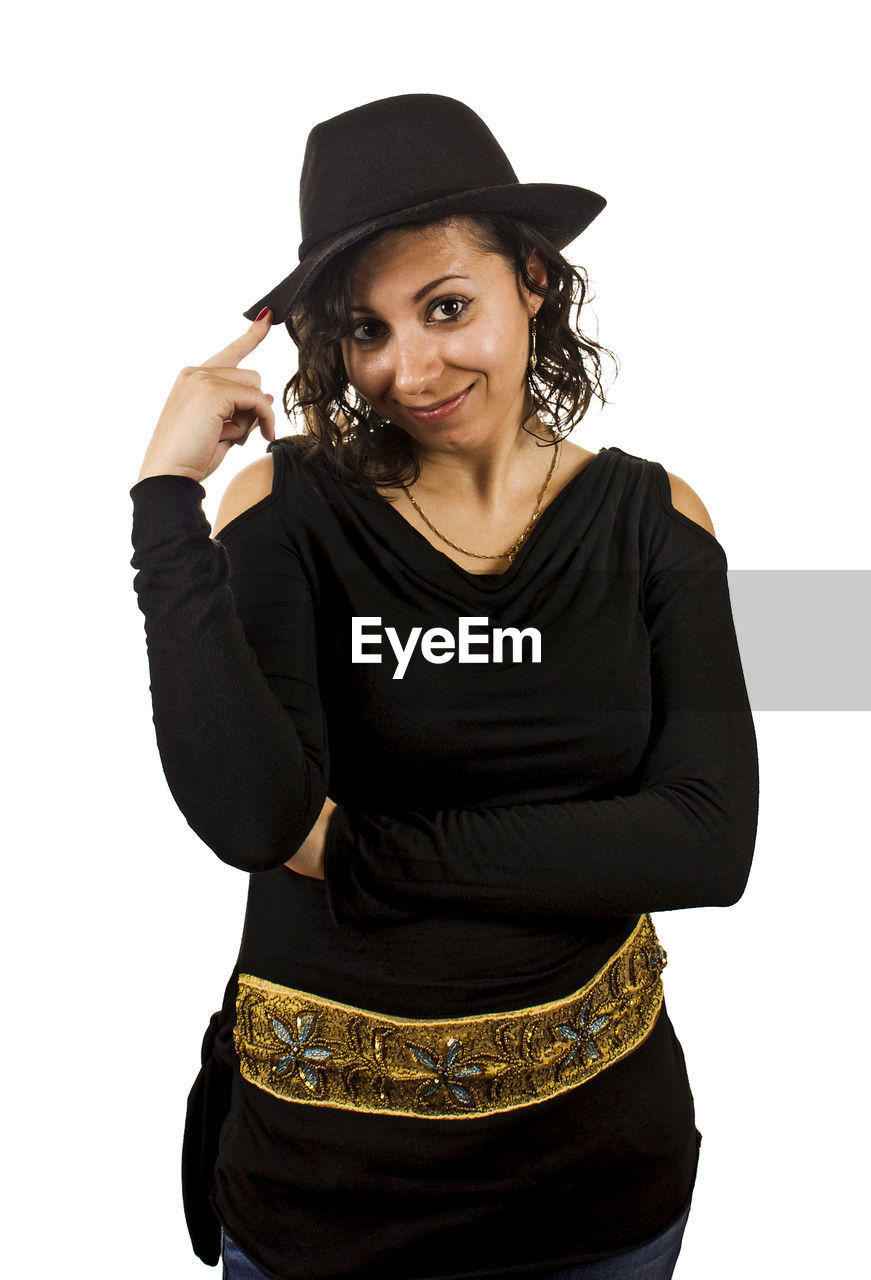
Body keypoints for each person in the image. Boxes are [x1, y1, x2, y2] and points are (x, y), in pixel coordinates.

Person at [130, 95, 759, 1280]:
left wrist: (361, 853)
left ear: (533, 278)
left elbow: (707, 842)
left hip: (597, 1185)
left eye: (447, 306)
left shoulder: (657, 523)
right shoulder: (284, 513)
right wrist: (165, 502)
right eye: (365, 331)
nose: (407, 369)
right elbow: (256, 817)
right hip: (325, 1192)